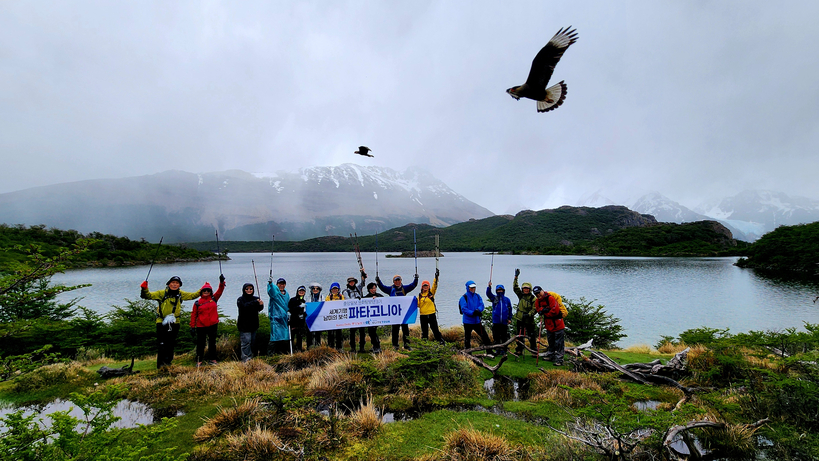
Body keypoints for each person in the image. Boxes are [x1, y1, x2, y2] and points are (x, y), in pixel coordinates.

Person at [140, 276, 200, 368]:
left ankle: (168, 363)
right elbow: (147, 296)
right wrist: (144, 288)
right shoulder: (161, 293)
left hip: (175, 322)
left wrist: (203, 289)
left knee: (171, 343)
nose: (174, 285)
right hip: (161, 321)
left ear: (179, 285)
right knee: (162, 343)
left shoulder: (181, 294)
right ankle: (160, 365)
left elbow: (193, 296)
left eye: (177, 283)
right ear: (168, 284)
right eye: (173, 283)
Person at [189, 275, 226, 366]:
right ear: (201, 292)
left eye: (208, 290)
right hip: (201, 326)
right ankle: (199, 360)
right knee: (200, 344)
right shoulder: (197, 303)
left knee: (212, 343)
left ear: (210, 292)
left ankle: (213, 359)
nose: (206, 292)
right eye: (204, 290)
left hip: (213, 324)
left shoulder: (214, 299)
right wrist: (192, 327)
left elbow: (220, 290)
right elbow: (193, 315)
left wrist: (221, 282)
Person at [376, 273, 419, 350]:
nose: (398, 281)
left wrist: (416, 279)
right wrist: (378, 281)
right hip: (395, 314)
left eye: (399, 280)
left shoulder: (404, 288)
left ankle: (406, 344)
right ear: (394, 281)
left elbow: (413, 285)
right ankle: (395, 345)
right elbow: (382, 287)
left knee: (405, 329)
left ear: (401, 280)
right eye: (396, 280)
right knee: (395, 330)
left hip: (403, 313)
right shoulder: (390, 289)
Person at [534, 286, 566, 366]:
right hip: (548, 325)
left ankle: (559, 359)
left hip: (557, 324)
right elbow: (538, 309)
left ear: (542, 291)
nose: (538, 295)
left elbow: (555, 311)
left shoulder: (550, 298)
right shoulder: (538, 301)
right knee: (551, 342)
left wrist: (545, 312)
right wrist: (544, 310)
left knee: (559, 343)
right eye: (536, 294)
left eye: (539, 292)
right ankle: (551, 356)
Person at [512, 268, 538, 357]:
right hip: (520, 318)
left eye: (527, 288)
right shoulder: (521, 295)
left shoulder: (533, 298)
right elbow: (515, 288)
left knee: (531, 336)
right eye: (524, 288)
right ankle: (519, 350)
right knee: (520, 335)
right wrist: (516, 277)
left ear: (530, 289)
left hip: (529, 320)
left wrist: (529, 314)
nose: (525, 290)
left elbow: (535, 309)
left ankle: (534, 351)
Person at [459, 280, 491, 349]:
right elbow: (464, 309)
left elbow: (481, 305)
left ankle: (489, 350)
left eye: (474, 287)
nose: (473, 289)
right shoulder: (463, 298)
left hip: (477, 321)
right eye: (471, 288)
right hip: (468, 322)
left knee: (484, 336)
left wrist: (478, 310)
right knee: (467, 338)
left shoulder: (477, 296)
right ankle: (468, 353)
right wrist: (473, 313)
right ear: (468, 288)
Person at [237, 283, 264, 362]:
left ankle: (251, 357)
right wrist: (255, 303)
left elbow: (259, 309)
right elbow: (244, 307)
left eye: (251, 289)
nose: (249, 290)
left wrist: (261, 304)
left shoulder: (256, 298)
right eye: (247, 289)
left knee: (252, 342)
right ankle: (245, 359)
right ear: (244, 290)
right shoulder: (240, 299)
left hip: (254, 325)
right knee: (246, 343)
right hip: (244, 326)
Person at [343, 271, 367, 353]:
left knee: (362, 331)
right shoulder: (346, 291)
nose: (352, 283)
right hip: (352, 314)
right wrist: (356, 300)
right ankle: (353, 348)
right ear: (348, 283)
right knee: (352, 332)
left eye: (353, 282)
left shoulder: (358, 288)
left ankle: (362, 347)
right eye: (350, 282)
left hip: (360, 313)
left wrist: (363, 276)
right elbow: (347, 300)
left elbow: (363, 283)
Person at [486, 282, 513, 356]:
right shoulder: (494, 298)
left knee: (504, 337)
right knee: (496, 337)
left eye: (501, 290)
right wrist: (489, 287)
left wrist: (510, 318)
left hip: (504, 322)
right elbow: (488, 294)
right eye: (498, 290)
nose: (500, 291)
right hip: (496, 321)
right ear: (496, 291)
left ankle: (503, 350)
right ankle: (497, 349)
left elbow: (510, 309)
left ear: (503, 291)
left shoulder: (507, 300)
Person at [418, 269, 443, 343]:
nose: (425, 287)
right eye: (424, 285)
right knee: (424, 332)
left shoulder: (431, 293)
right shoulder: (419, 296)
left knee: (435, 330)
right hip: (423, 316)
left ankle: (441, 343)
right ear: (422, 287)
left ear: (429, 286)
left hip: (431, 314)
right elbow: (417, 305)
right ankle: (424, 346)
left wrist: (436, 277)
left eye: (427, 285)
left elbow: (435, 285)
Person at [267, 277, 291, 355]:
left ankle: (283, 354)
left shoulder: (287, 294)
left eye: (283, 284)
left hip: (284, 319)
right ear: (277, 285)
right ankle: (271, 355)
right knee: (275, 338)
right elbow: (271, 291)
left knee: (285, 337)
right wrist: (270, 284)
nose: (281, 285)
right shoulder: (275, 294)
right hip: (276, 319)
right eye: (280, 284)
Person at [361, 282, 383, 353]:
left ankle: (377, 346)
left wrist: (377, 299)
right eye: (372, 288)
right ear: (369, 289)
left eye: (374, 288)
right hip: (369, 318)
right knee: (371, 332)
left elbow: (385, 301)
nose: (374, 290)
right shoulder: (367, 297)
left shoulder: (379, 295)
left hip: (376, 317)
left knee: (373, 332)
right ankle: (374, 346)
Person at [325, 282, 345, 350]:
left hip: (338, 318)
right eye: (333, 289)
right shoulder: (328, 297)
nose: (335, 290)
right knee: (330, 334)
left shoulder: (341, 296)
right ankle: (331, 348)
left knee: (339, 334)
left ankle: (339, 348)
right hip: (331, 318)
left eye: (336, 289)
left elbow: (343, 304)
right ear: (331, 290)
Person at [288, 286, 308, 352]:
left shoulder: (304, 301)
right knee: (292, 338)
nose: (301, 292)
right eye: (300, 291)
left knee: (300, 338)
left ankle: (299, 351)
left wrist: (304, 314)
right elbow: (291, 309)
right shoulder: (293, 300)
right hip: (293, 322)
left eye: (303, 291)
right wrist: (299, 307)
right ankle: (291, 351)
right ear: (297, 291)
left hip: (300, 323)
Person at [306, 282, 323, 348]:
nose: (315, 290)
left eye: (317, 289)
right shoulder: (309, 297)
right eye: (314, 289)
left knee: (318, 333)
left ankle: (318, 346)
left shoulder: (322, 297)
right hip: (311, 318)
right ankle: (309, 346)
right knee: (310, 333)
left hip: (319, 318)